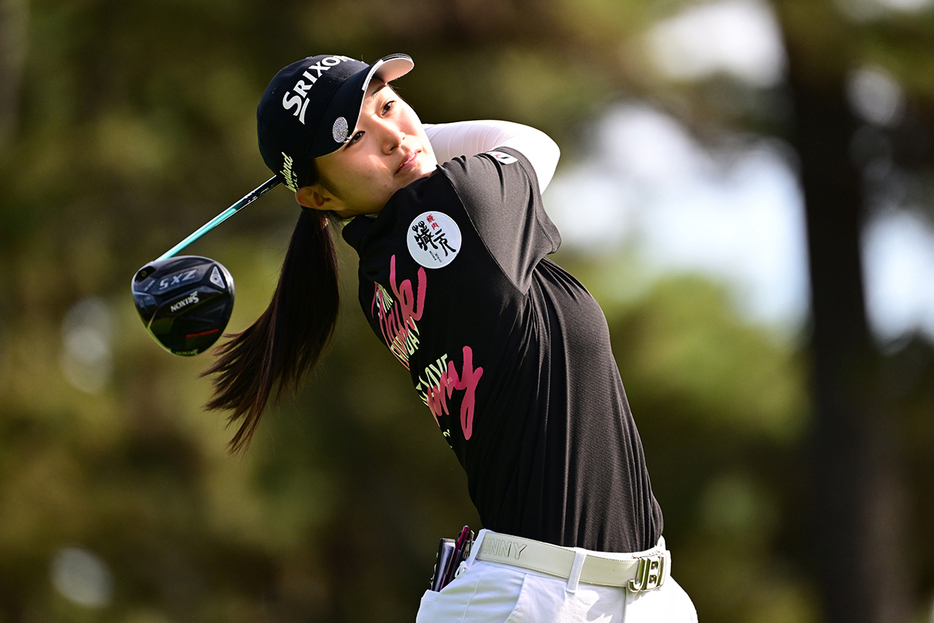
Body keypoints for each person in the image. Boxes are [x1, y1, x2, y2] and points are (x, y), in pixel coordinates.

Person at [203, 52, 697, 622]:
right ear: (318, 198)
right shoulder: (450, 212)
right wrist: (422, 134)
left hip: (601, 594)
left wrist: (390, 140)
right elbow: (530, 142)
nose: (391, 135)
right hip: (545, 598)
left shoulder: (379, 273)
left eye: (389, 105)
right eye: (355, 137)